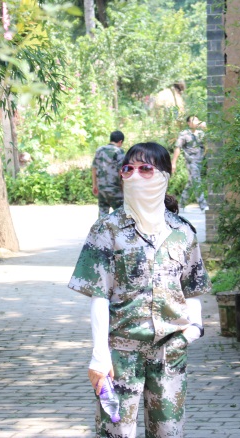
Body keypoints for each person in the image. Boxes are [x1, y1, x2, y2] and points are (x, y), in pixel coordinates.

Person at [69, 142, 212, 438]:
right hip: (120, 356)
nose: (135, 175)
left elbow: (192, 290)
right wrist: (99, 355)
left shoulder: (183, 232)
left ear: (164, 175)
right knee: (116, 432)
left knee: (169, 433)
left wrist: (193, 330)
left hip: (170, 353)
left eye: (145, 169)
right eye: (128, 169)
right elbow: (99, 296)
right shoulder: (107, 229)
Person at [171, 115, 209, 211]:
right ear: (189, 123)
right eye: (193, 120)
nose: (196, 122)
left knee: (191, 183)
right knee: (196, 181)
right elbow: (178, 147)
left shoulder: (201, 133)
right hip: (191, 161)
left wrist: (206, 128)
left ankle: (180, 205)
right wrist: (173, 163)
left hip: (200, 161)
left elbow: (211, 141)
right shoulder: (184, 134)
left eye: (197, 120)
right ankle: (203, 205)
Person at [92, 130, 125, 218]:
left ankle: (101, 227)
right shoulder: (119, 151)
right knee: (121, 215)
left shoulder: (99, 150)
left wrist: (94, 185)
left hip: (102, 189)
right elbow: (121, 171)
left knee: (102, 215)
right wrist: (124, 187)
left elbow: (94, 168)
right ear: (120, 141)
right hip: (115, 190)